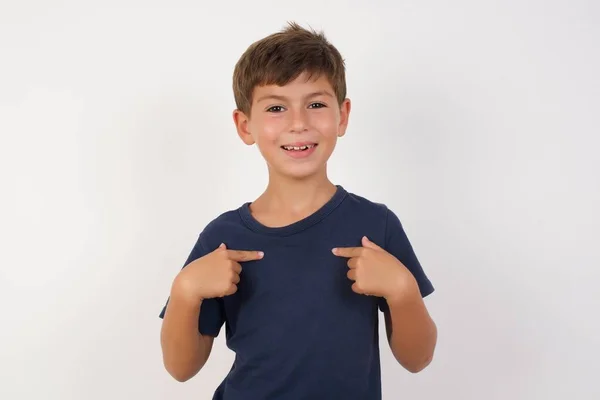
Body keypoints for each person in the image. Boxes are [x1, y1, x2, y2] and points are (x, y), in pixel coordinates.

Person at [158, 21, 437, 400]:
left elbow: (417, 359)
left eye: (316, 104)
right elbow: (181, 368)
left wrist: (403, 292)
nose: (298, 124)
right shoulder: (223, 237)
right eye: (276, 107)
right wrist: (186, 290)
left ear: (342, 116)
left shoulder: (376, 225)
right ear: (245, 125)